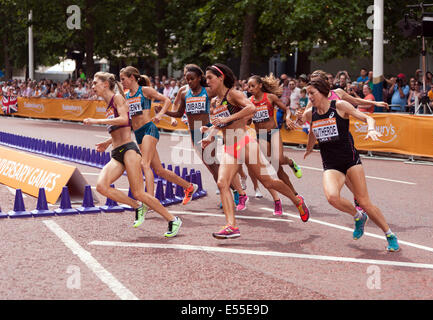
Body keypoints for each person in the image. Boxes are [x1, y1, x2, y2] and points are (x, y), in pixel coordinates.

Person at [200, 64, 310, 239]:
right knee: (222, 183)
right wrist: (210, 135)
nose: (207, 82)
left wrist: (228, 118)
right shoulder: (216, 102)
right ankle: (231, 226)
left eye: (209, 78)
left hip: (244, 143)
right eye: (206, 79)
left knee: (269, 182)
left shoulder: (233, 94)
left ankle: (297, 200)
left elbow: (251, 108)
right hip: (229, 147)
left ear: (220, 78)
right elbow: (220, 123)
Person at [299, 77, 400, 252]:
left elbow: (367, 118)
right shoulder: (310, 114)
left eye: (312, 93)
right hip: (331, 164)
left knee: (364, 201)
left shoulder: (339, 106)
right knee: (332, 197)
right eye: (308, 94)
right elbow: (313, 131)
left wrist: (371, 129)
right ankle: (358, 216)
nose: (310, 97)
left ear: (322, 92)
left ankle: (390, 234)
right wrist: (309, 148)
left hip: (350, 161)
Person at [83, 72, 182, 237]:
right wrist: (107, 143)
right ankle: (137, 206)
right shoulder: (108, 104)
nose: (92, 86)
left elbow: (123, 120)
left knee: (139, 192)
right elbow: (121, 128)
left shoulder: (117, 99)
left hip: (129, 150)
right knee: (102, 186)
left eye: (95, 83)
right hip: (116, 153)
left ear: (105, 84)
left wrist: (96, 121)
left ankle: (173, 219)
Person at [157, 64, 246, 208]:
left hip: (206, 131)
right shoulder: (185, 93)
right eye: (187, 79)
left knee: (214, 165)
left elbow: (225, 97)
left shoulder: (208, 91)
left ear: (199, 78)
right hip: (193, 133)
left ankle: (235, 192)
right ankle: (231, 191)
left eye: (192, 79)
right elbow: (180, 114)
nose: (189, 82)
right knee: (211, 166)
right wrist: (164, 112)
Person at [119, 66, 197, 226]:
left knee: (144, 164)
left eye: (123, 79)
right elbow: (126, 119)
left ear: (132, 77)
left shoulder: (145, 90)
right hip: (138, 133)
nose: (122, 82)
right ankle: (189, 186)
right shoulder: (126, 95)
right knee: (159, 170)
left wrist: (161, 115)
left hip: (149, 129)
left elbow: (167, 100)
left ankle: (149, 201)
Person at [247, 74, 304, 216]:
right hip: (260, 135)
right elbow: (247, 121)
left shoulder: (270, 98)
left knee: (279, 160)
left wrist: (289, 118)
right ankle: (295, 194)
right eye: (248, 86)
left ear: (260, 85)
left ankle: (290, 162)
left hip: (273, 132)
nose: (250, 89)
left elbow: (286, 109)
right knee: (276, 168)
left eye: (253, 86)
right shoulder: (249, 101)